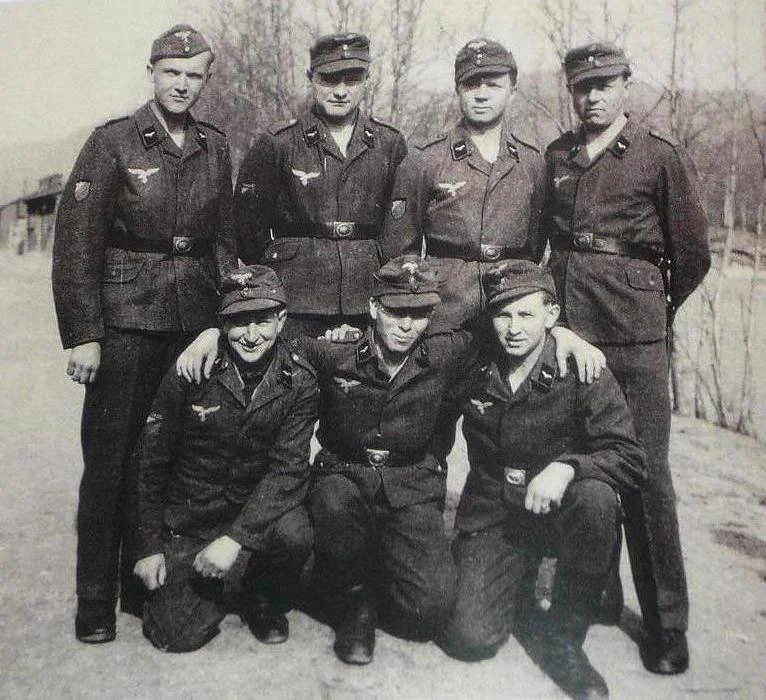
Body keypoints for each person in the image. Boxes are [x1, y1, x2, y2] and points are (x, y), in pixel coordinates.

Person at [176, 256, 605, 666]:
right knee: (334, 503)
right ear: (373, 308)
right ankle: (354, 601)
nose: (406, 324)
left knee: (429, 612)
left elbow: (513, 329)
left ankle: (359, 577)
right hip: (344, 476)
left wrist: (563, 336)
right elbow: (267, 339)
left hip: (411, 485)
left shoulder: (448, 352)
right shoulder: (334, 351)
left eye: (419, 314)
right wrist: (212, 334)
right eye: (395, 311)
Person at [51, 24, 237, 643]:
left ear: (206, 80)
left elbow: (224, 241)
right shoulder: (112, 142)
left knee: (169, 456)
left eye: (194, 75)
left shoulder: (215, 146)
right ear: (151, 72)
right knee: (110, 461)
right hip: (128, 320)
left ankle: (144, 586)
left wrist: (223, 320)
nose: (182, 85)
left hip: (192, 324)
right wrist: (84, 333)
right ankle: (94, 601)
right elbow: (77, 243)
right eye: (171, 73)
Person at [543, 43, 710, 675]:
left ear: (626, 87)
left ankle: (667, 623)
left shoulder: (658, 156)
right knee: (580, 460)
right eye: (582, 87)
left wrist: (649, 311)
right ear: (571, 91)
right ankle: (597, 590)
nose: (592, 97)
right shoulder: (558, 156)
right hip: (569, 330)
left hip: (633, 339)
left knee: (644, 476)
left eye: (604, 85)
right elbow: (548, 239)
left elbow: (692, 255)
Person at [441, 261, 646, 699]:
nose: (514, 328)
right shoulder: (473, 361)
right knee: (469, 638)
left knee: (596, 499)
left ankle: (564, 638)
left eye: (526, 314)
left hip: (558, 508)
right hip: (495, 509)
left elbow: (630, 458)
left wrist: (568, 467)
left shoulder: (582, 368)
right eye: (503, 315)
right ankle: (517, 581)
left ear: (552, 315)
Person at [132, 266, 317, 652]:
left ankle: (259, 595)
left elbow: (288, 470)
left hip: (252, 518)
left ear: (281, 320)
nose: (251, 335)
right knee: (174, 634)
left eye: (262, 321)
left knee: (295, 533)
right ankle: (229, 581)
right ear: (222, 323)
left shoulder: (298, 379)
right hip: (194, 518)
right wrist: (148, 546)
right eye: (239, 322)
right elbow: (151, 461)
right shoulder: (191, 369)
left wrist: (235, 540)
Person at [234, 32, 407, 339]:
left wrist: (383, 271)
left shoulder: (389, 143)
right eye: (328, 79)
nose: (340, 91)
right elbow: (247, 228)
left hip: (366, 292)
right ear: (310, 78)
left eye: (352, 80)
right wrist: (281, 266)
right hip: (298, 296)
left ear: (367, 80)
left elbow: (400, 228)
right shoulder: (279, 143)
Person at [381, 38, 546, 333]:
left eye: (493, 85)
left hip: (509, 308)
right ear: (457, 89)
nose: (481, 95)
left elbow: (534, 247)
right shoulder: (426, 159)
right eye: (471, 85)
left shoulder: (532, 163)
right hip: (444, 309)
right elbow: (401, 250)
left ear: (512, 90)